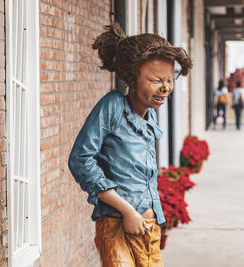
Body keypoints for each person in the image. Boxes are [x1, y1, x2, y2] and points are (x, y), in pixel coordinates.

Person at [68, 24, 192, 267]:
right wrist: (126, 211)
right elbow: (80, 159)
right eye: (156, 80)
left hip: (148, 225)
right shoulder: (113, 106)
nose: (165, 87)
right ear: (132, 78)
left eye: (169, 79)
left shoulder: (150, 115)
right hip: (116, 221)